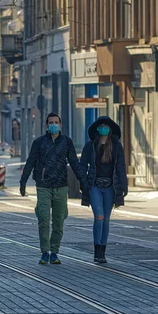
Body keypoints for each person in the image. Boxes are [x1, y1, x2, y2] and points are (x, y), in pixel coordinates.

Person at [20, 113, 81, 265]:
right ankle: (44, 252)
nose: (54, 125)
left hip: (61, 186)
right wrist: (23, 181)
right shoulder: (39, 142)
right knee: (44, 219)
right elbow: (30, 162)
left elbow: (74, 162)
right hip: (43, 186)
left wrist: (83, 182)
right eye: (51, 122)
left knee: (59, 220)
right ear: (47, 125)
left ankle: (54, 251)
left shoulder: (66, 141)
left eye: (56, 122)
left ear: (60, 124)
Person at [79, 116, 127, 264]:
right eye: (101, 126)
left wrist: (124, 185)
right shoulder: (90, 145)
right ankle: (96, 249)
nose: (104, 128)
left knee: (106, 219)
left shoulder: (117, 146)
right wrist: (84, 182)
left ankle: (102, 252)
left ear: (111, 129)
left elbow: (120, 167)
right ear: (97, 128)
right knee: (98, 217)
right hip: (95, 186)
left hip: (110, 187)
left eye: (107, 126)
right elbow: (82, 164)